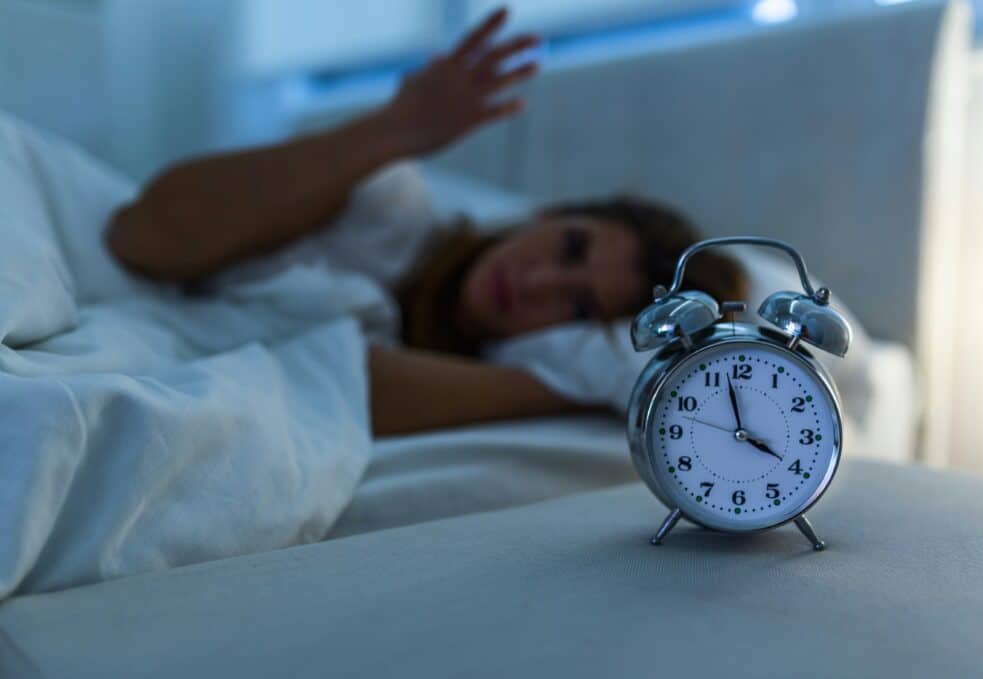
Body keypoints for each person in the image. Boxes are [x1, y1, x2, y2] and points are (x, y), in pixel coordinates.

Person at [105, 7, 744, 436]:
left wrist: (577, 388)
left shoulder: (487, 380)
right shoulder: (387, 208)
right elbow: (146, 235)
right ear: (546, 215)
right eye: (570, 247)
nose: (540, 282)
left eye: (576, 308)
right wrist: (394, 128)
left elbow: (348, 387)